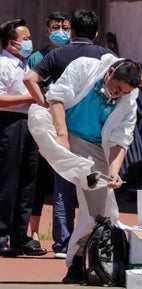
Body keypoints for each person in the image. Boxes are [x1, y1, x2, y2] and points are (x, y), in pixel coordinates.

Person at [28, 54, 142, 284]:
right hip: (61, 129)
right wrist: (62, 136)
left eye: (125, 92)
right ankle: (61, 157)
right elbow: (56, 98)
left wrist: (115, 170)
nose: (119, 94)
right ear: (109, 73)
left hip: (93, 145)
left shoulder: (129, 99)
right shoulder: (84, 67)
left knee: (99, 207)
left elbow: (121, 139)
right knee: (36, 116)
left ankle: (78, 263)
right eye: (117, 88)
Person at [24, 9, 115, 259]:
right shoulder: (106, 55)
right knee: (95, 189)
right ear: (96, 34)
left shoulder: (58, 53)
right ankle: (92, 242)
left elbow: (30, 79)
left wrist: (44, 102)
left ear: (72, 31)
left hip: (63, 129)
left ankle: (63, 243)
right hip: (94, 133)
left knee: (63, 186)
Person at [27, 11, 71, 259]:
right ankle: (33, 233)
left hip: (66, 124)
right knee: (37, 179)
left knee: (64, 180)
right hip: (42, 124)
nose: (61, 31)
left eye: (65, 27)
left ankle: (64, 236)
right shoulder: (36, 58)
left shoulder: (72, 55)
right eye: (56, 27)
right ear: (47, 30)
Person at [0, 19, 44, 258]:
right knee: (8, 180)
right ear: (11, 43)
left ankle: (19, 235)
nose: (30, 43)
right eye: (25, 39)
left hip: (30, 123)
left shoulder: (28, 65)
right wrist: (30, 98)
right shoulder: (3, 65)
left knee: (28, 181)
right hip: (9, 123)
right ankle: (1, 234)